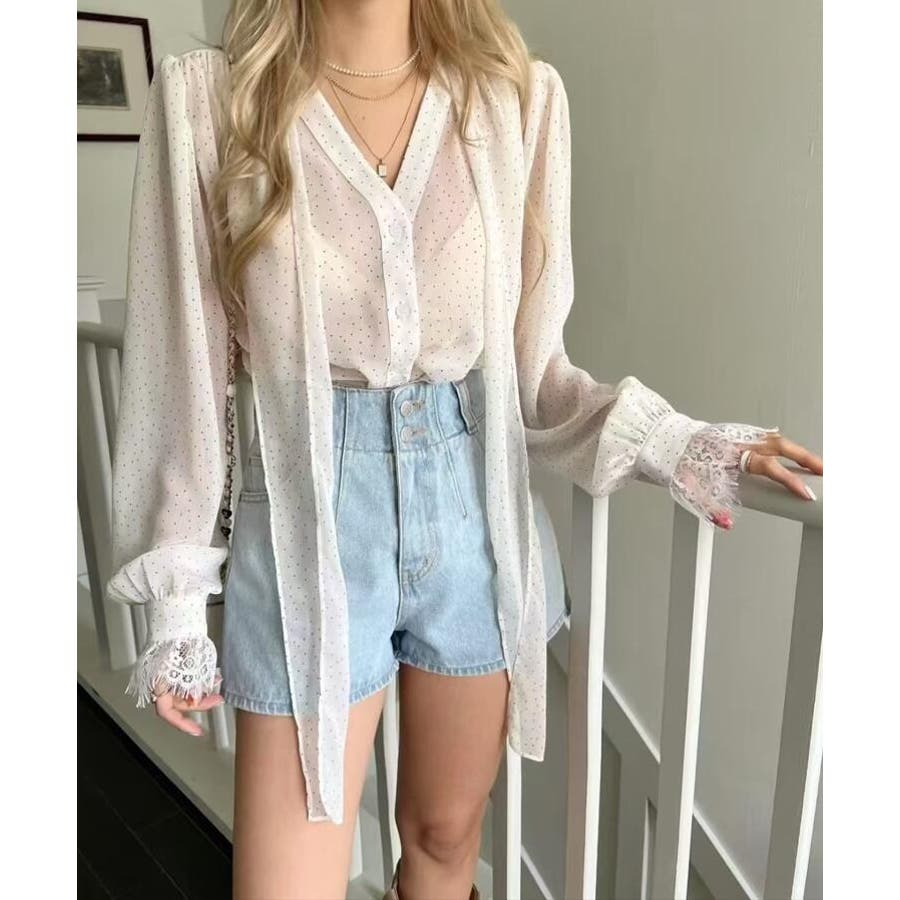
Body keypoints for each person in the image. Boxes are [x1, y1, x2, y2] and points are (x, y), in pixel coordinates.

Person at [104, 1, 824, 898]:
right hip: (306, 522)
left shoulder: (512, 104)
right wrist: (176, 599)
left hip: (474, 509)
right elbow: (179, 367)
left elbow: (536, 373)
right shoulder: (214, 102)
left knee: (446, 840)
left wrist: (679, 442)